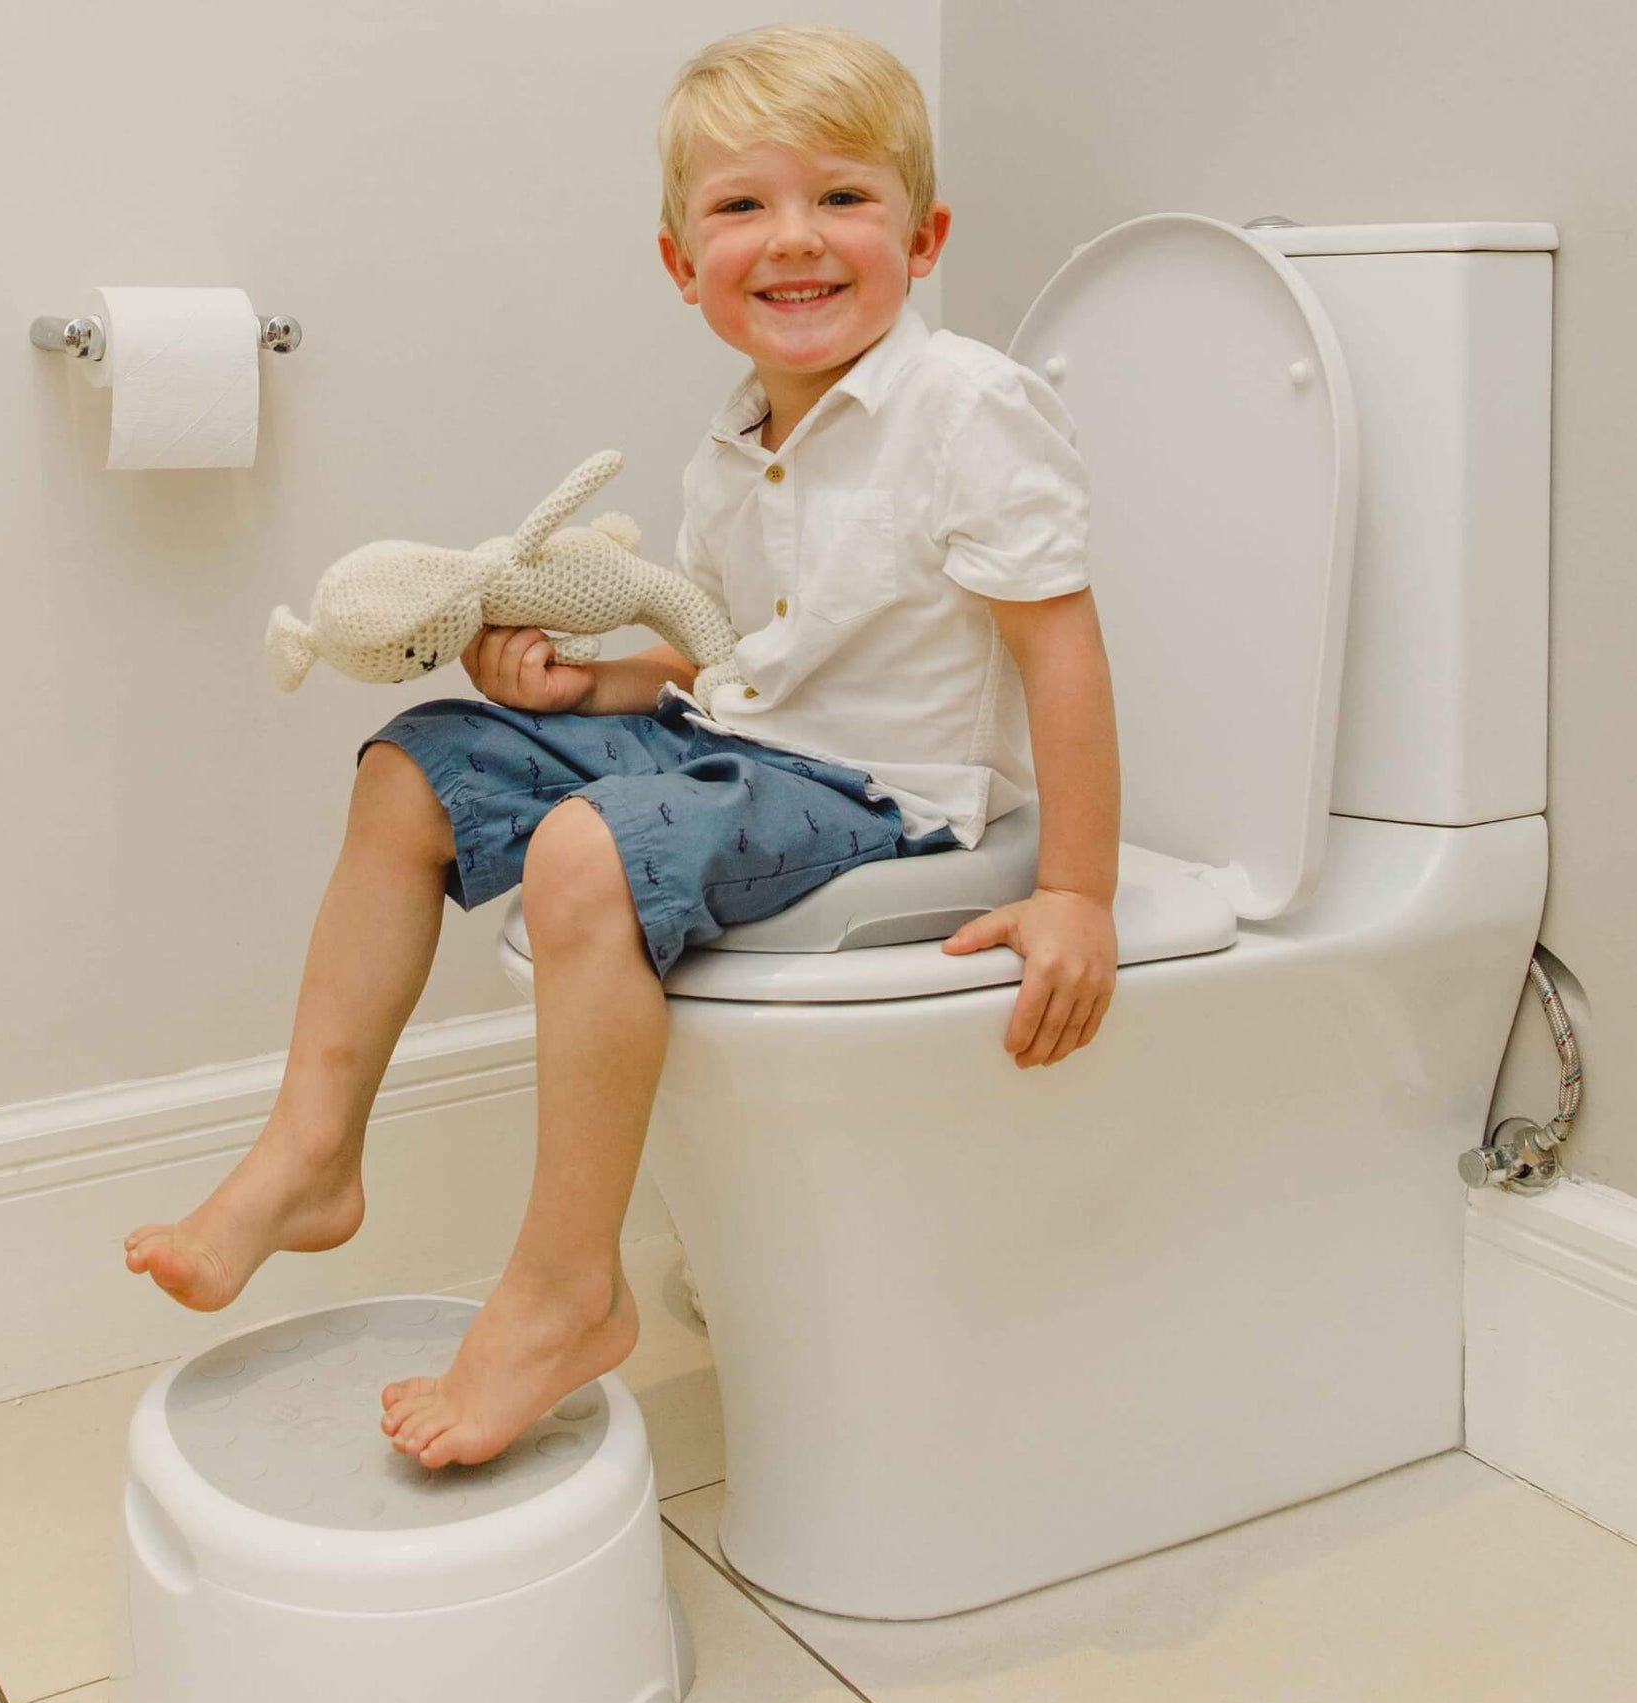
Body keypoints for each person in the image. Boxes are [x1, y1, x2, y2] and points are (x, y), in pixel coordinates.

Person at [124, 23, 1120, 1469]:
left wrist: (1077, 888)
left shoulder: (968, 409)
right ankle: (311, 1151)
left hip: (889, 798)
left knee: (588, 852)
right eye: (740, 207)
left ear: (925, 236)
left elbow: (1059, 650)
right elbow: (723, 650)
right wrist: (586, 684)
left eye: (841, 198)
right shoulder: (737, 434)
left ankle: (562, 1288)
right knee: (416, 764)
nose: (793, 239)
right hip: (746, 750)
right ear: (678, 262)